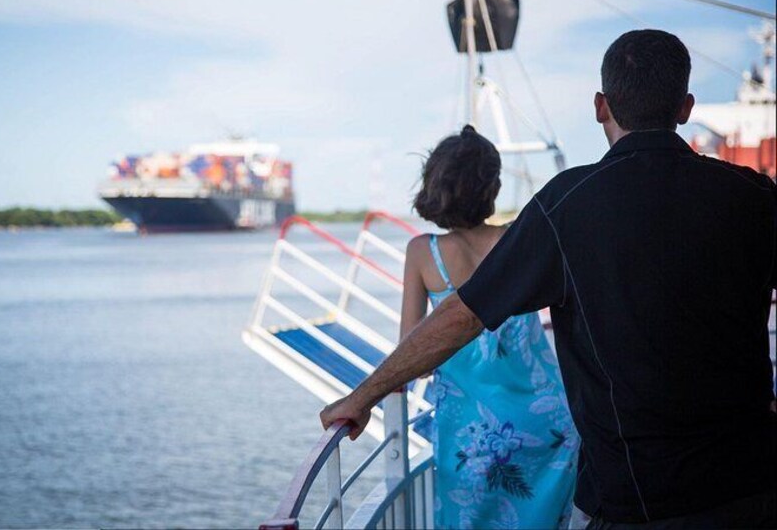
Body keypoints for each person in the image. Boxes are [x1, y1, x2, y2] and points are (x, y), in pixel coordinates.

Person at [321, 29, 776, 528]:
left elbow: (464, 316)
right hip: (752, 488)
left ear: (601, 106)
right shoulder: (753, 197)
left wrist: (362, 396)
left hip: (635, 500)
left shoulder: (568, 206)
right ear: (686, 107)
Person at [402, 125, 578, 529]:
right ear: (491, 188)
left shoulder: (423, 254)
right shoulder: (518, 238)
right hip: (546, 425)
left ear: (436, 185)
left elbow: (415, 355)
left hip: (471, 437)